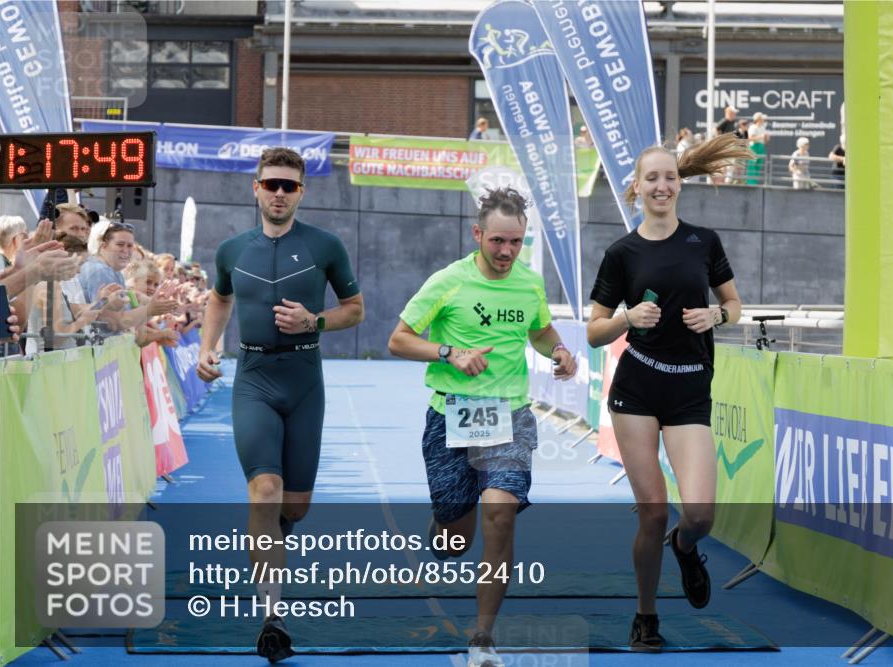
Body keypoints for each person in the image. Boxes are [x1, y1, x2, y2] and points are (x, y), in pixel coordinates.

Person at [387, 187, 576, 667]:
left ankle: (483, 637)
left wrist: (557, 350)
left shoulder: (529, 284)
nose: (507, 252)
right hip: (452, 414)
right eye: (497, 241)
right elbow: (399, 340)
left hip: (510, 415)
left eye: (515, 242)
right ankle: (444, 522)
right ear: (478, 235)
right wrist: (451, 352)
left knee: (500, 514)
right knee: (456, 540)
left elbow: (538, 328)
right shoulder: (448, 282)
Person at [195, 147, 364, 664]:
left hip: (305, 379)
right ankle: (272, 618)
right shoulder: (231, 250)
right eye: (271, 184)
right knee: (263, 489)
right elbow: (219, 299)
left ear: (301, 192)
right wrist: (208, 347)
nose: (279, 193)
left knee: (294, 506)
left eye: (289, 186)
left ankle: (272, 531)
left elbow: (355, 311)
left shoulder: (325, 245)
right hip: (254, 378)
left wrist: (315, 321)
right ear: (256, 188)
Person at [586, 133, 748, 651]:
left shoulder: (705, 241)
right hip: (637, 386)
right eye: (651, 178)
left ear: (680, 184)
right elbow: (593, 330)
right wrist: (626, 318)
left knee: (699, 514)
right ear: (637, 187)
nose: (661, 185)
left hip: (688, 390)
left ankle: (684, 546)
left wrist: (715, 315)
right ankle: (646, 614)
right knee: (653, 510)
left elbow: (735, 305)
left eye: (669, 177)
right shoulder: (622, 252)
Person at [745, 112, 769, 185]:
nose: (763, 120)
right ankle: (750, 183)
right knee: (752, 166)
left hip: (760, 147)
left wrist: (766, 138)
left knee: (758, 166)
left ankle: (754, 183)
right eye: (762, 119)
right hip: (754, 147)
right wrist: (761, 137)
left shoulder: (762, 128)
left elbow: (764, 141)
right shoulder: (753, 127)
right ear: (758, 119)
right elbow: (750, 138)